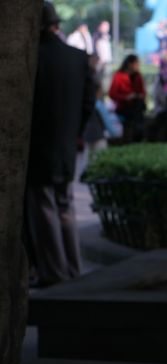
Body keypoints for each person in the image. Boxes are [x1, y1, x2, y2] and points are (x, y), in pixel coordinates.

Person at [24, 2, 94, 287]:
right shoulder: (78, 57)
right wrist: (75, 131)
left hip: (40, 143)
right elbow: (89, 102)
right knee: (65, 205)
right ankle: (74, 269)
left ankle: (54, 271)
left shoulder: (34, 57)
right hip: (67, 141)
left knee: (44, 205)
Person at [108, 54, 147, 143]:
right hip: (124, 108)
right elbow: (112, 94)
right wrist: (126, 97)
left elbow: (143, 92)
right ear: (130, 64)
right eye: (136, 63)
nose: (138, 66)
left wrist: (138, 96)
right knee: (127, 127)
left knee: (138, 128)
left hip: (137, 108)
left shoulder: (138, 76)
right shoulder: (119, 76)